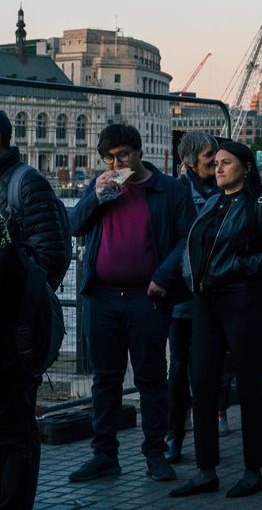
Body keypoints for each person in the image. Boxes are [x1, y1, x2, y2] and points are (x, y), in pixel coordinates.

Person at [69, 124, 193, 486]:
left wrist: (163, 276)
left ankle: (155, 452)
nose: (116, 162)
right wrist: (95, 197)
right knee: (104, 378)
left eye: (122, 155)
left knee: (151, 377)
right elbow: (74, 225)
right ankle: (104, 455)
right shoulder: (101, 185)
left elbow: (188, 237)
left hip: (147, 296)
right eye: (108, 157)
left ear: (139, 152)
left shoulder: (168, 189)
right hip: (102, 295)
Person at [171, 142, 262, 499]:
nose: (218, 168)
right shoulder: (212, 202)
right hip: (205, 303)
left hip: (242, 302)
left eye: (226, 163)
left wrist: (238, 267)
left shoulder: (260, 205)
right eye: (216, 163)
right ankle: (206, 469)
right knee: (203, 384)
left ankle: (253, 470)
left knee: (250, 388)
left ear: (247, 167)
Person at [0, 111, 70, 510]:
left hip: (12, 335)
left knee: (13, 429)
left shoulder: (26, 184)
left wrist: (18, 311)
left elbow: (52, 256)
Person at [166, 132, 219, 465]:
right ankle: (175, 437)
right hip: (183, 296)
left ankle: (205, 439)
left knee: (208, 370)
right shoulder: (177, 192)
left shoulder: (225, 187)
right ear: (188, 161)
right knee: (179, 369)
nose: (215, 162)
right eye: (208, 157)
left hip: (217, 292)